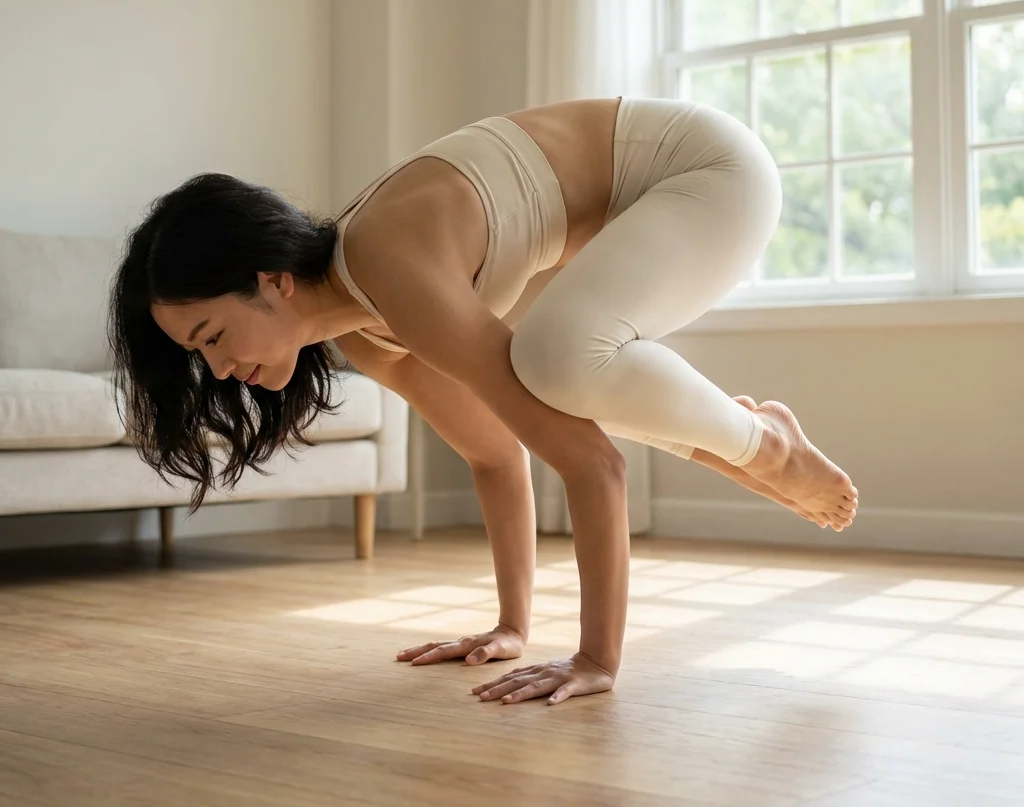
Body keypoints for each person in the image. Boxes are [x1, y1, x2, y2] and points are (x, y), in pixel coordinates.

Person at [109, 96, 857, 707]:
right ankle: (754, 441)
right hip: (648, 205)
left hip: (707, 172)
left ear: (271, 279)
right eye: (197, 354)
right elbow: (496, 452)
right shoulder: (370, 334)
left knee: (555, 358)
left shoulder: (384, 262)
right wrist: (511, 626)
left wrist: (595, 658)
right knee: (552, 366)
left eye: (212, 335)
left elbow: (592, 464)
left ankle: (764, 445)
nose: (218, 367)